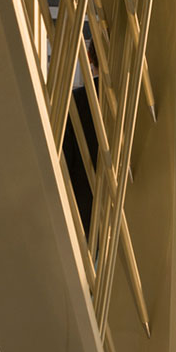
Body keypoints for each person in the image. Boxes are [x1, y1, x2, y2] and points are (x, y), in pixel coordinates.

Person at [62, 41, 100, 237]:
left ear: (89, 56)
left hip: (81, 210)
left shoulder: (74, 101)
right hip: (128, 210)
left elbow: (63, 161)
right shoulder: (134, 105)